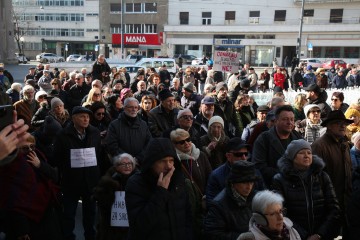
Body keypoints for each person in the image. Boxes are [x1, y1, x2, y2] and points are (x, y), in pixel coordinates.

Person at [272, 139, 341, 239]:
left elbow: (334, 208)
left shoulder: (322, 176)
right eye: (301, 153)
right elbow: (281, 213)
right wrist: (304, 236)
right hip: (295, 236)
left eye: (309, 152)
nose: (306, 156)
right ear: (292, 156)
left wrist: (319, 234)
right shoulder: (280, 180)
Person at [125, 138, 192, 240]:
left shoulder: (178, 181)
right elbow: (139, 226)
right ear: (151, 163)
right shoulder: (136, 184)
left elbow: (187, 219)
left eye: (171, 160)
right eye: (163, 161)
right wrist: (161, 192)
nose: (169, 166)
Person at [53, 106, 102, 240]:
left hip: (90, 181)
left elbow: (99, 153)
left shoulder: (95, 133)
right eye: (82, 116)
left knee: (90, 213)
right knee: (69, 214)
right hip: (71, 181)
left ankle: (90, 237)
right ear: (73, 118)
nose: (86, 119)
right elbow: (56, 157)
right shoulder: (62, 135)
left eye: (87, 117)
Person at [0, 135, 62, 240]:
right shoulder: (11, 166)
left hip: (46, 214)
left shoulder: (38, 155)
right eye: (25, 148)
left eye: (32, 146)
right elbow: (13, 200)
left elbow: (55, 176)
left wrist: (40, 165)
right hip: (25, 221)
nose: (30, 150)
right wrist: (22, 230)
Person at [312, 110, 353, 238]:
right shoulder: (319, 146)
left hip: (345, 201)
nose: (342, 126)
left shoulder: (344, 144)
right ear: (329, 126)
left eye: (344, 123)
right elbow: (315, 177)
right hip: (327, 205)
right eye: (338, 123)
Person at [204, 161, 258, 240]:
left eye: (251, 182)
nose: (249, 187)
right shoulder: (219, 205)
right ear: (234, 182)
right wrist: (240, 237)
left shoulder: (255, 196)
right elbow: (213, 234)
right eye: (244, 182)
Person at [252, 105, 302, 187]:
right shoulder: (264, 139)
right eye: (285, 119)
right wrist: (286, 173)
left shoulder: (297, 137)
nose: (289, 122)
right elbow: (259, 166)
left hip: (296, 186)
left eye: (292, 119)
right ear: (276, 121)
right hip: (272, 186)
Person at [206, 137, 264, 206]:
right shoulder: (216, 176)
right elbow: (212, 205)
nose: (244, 158)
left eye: (246, 154)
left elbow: (263, 196)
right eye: (239, 155)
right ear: (228, 156)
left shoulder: (255, 172)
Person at [93, 153, 138, 240]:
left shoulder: (139, 181)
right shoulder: (107, 181)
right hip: (111, 226)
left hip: (132, 224)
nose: (127, 166)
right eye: (124, 164)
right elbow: (100, 200)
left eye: (130, 164)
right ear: (116, 166)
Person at [105, 97, 152, 164]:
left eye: (136, 107)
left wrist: (138, 158)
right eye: (131, 107)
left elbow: (149, 143)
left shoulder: (143, 124)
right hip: (122, 164)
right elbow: (112, 145)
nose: (134, 109)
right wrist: (128, 159)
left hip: (141, 163)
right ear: (124, 108)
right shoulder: (114, 125)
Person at [170, 128, 212, 194]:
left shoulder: (201, 154)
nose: (186, 143)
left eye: (188, 139)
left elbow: (210, 175)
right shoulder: (175, 161)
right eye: (181, 142)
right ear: (175, 145)